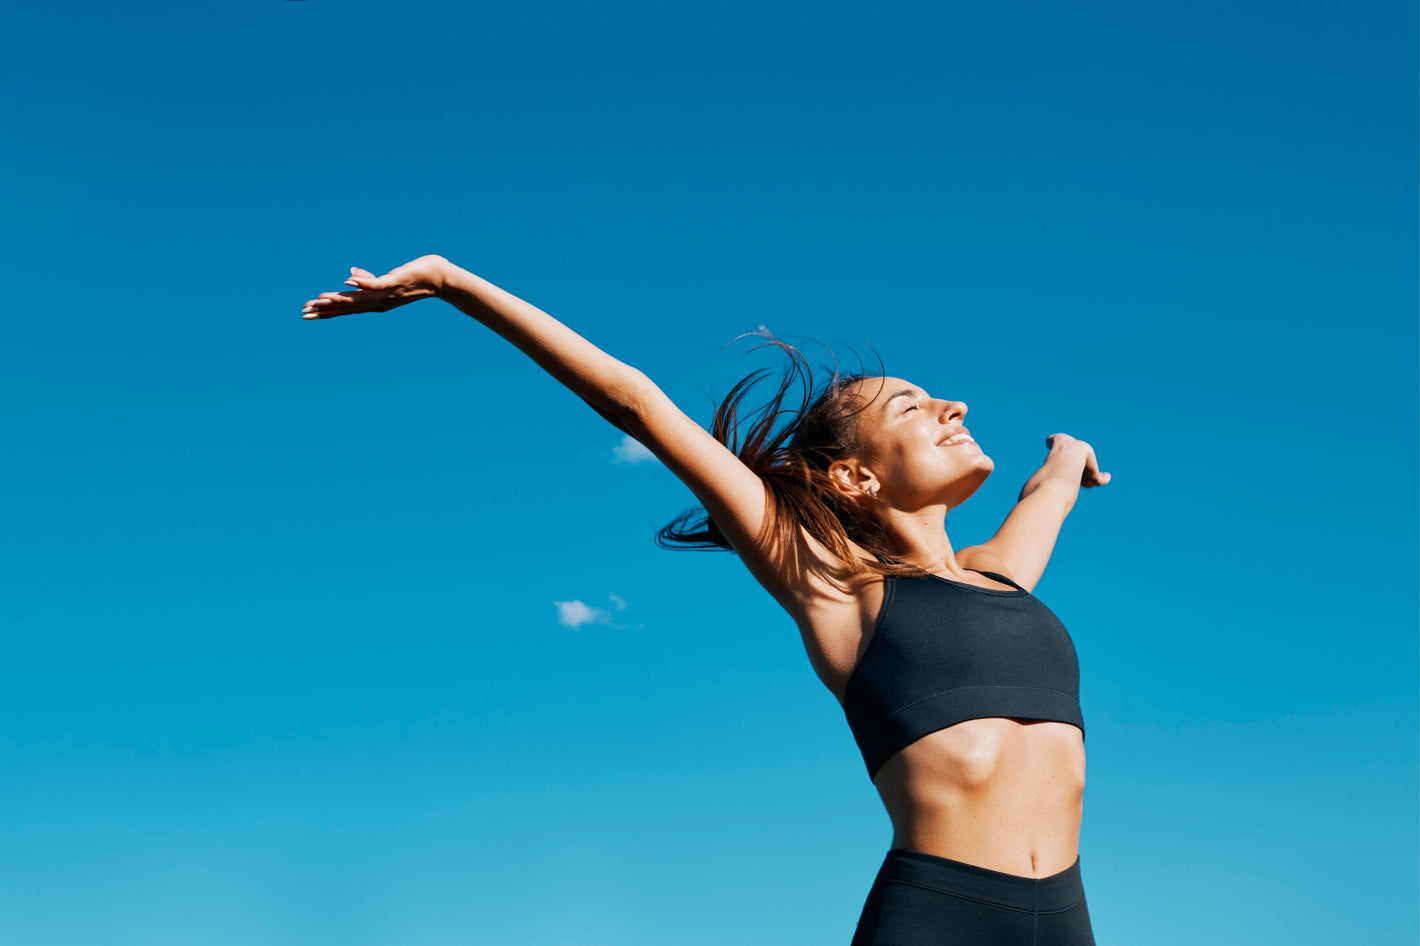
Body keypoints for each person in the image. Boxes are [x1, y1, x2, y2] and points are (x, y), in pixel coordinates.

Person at [302, 254, 1111, 945]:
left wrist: (1069, 454)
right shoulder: (831, 583)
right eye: (911, 406)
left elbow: (1052, 488)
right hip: (942, 911)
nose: (954, 406)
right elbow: (637, 403)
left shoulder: (1002, 575)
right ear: (853, 477)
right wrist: (452, 282)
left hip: (1068, 914)